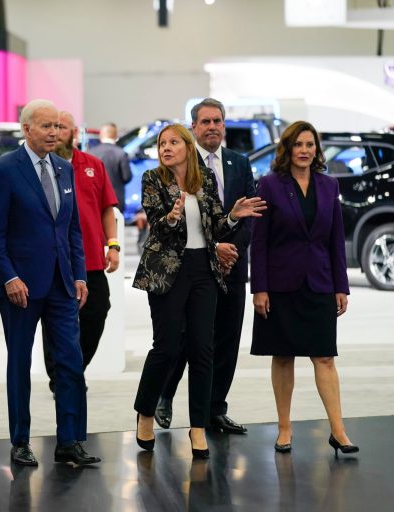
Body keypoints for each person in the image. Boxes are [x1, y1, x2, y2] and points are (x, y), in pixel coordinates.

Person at [132, 124, 265, 458]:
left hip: (203, 270)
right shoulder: (153, 178)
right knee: (166, 347)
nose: (166, 147)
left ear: (187, 147)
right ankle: (145, 411)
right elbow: (156, 224)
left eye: (173, 142)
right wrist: (173, 218)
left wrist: (233, 217)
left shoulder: (203, 179)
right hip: (166, 272)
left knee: (202, 349)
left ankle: (198, 426)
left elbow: (215, 225)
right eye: (162, 143)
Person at [0, 99, 101, 467]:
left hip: (62, 284)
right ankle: (20, 440)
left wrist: (80, 274)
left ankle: (71, 440)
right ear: (26, 130)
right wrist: (9, 277)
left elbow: (71, 230)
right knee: (19, 363)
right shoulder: (4, 170)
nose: (54, 132)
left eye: (58, 126)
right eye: (46, 126)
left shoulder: (65, 169)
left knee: (70, 361)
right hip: (21, 287)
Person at [250, 121, 358, 456]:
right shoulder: (269, 185)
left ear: (317, 149)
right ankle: (284, 428)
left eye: (310, 144)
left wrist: (342, 285)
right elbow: (260, 241)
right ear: (287, 148)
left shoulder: (329, 186)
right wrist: (259, 288)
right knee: (282, 357)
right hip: (280, 286)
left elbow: (335, 241)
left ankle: (338, 431)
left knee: (325, 357)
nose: (304, 150)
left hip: (320, 283)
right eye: (298, 144)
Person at [155, 98, 255, 435]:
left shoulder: (240, 163)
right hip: (194, 268)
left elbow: (250, 214)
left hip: (234, 266)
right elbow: (181, 221)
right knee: (187, 340)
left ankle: (215, 410)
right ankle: (165, 395)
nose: (212, 127)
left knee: (227, 341)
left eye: (218, 121)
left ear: (224, 126)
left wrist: (233, 252)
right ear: (194, 128)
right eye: (205, 121)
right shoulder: (181, 161)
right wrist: (215, 249)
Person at [41, 111, 119, 393]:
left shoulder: (93, 165)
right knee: (56, 318)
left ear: (74, 131)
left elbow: (106, 208)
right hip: (55, 259)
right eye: (52, 126)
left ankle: (74, 369)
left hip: (92, 260)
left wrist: (113, 244)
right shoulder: (43, 166)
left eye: (63, 127)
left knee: (97, 311)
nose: (58, 132)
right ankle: (60, 376)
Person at [89, 122, 132, 212]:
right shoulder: (121, 153)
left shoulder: (90, 153)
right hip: (116, 200)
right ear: (116, 135)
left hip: (95, 199)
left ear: (101, 135)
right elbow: (127, 177)